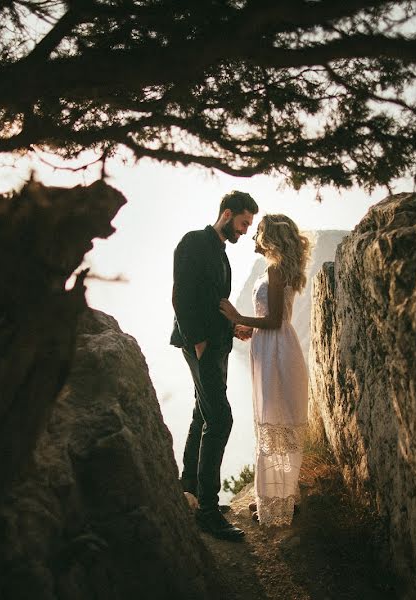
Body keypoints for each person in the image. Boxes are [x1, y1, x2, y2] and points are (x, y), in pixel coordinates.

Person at [171, 190, 258, 541]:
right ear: (226, 213)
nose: (245, 231)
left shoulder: (222, 253)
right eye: (243, 223)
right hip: (201, 346)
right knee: (220, 419)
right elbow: (181, 297)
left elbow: (214, 303)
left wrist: (232, 328)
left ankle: (189, 489)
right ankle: (208, 509)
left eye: (248, 225)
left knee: (201, 415)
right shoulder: (193, 242)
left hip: (217, 344)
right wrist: (199, 342)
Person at [219, 214, 311, 527]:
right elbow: (272, 319)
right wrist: (249, 327)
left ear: (268, 236)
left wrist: (236, 316)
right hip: (276, 345)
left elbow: (272, 320)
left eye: (258, 232)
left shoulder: (275, 268)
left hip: (275, 350)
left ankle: (276, 505)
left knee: (272, 422)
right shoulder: (282, 267)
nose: (254, 238)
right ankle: (280, 499)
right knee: (277, 425)